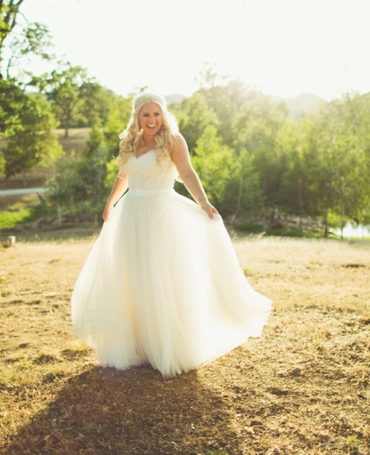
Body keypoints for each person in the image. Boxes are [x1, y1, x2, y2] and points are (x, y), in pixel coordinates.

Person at [71, 91, 272, 377]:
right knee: (134, 277)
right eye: (146, 114)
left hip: (161, 214)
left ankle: (167, 346)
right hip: (131, 215)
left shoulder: (174, 141)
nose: (152, 119)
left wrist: (202, 200)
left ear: (163, 115)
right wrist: (110, 203)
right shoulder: (132, 141)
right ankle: (140, 346)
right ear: (137, 116)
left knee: (160, 277)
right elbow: (124, 175)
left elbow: (188, 173)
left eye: (156, 114)